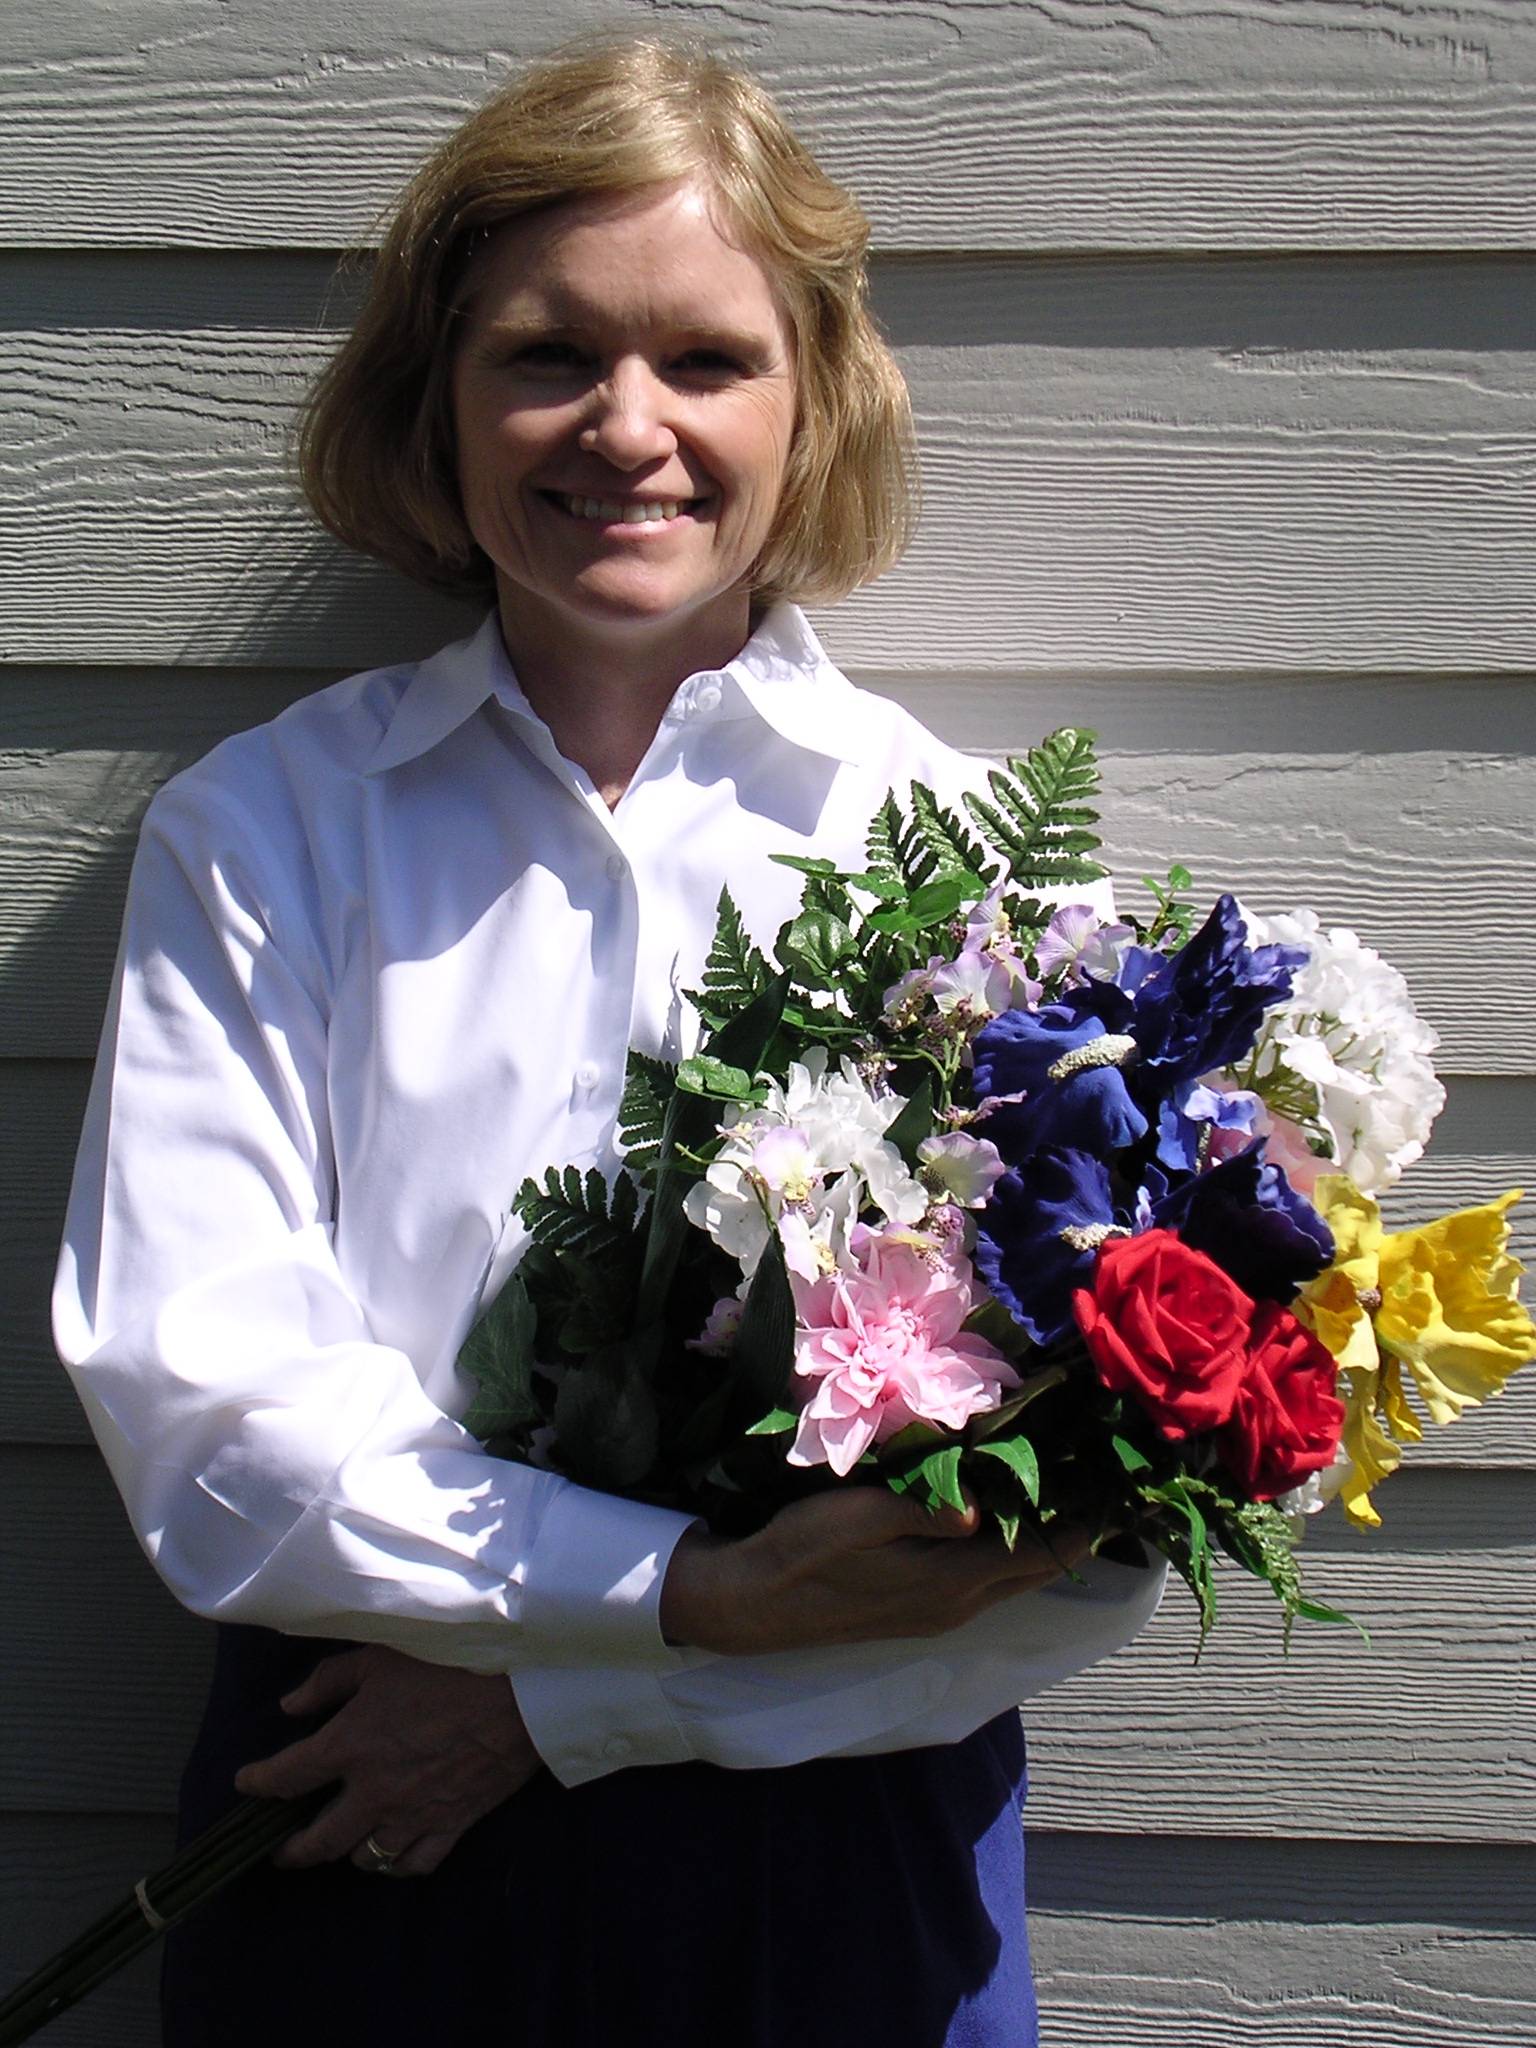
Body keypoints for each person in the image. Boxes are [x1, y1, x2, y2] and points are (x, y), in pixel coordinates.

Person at [53, 37, 1163, 2047]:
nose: (625, 426)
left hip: (834, 1860)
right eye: (547, 354)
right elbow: (209, 1408)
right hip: (357, 1819)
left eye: (707, 361)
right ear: (439, 393)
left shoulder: (981, 881)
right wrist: (686, 1595)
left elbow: (1082, 1538)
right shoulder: (270, 833)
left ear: (814, 401)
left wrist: (576, 1696)